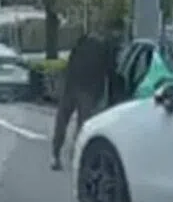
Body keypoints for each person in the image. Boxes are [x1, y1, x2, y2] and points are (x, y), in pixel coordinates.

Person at [50, 18, 123, 171]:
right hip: (89, 89)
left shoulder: (84, 40)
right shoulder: (109, 46)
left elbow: (71, 61)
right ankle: (75, 157)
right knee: (83, 125)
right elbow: (111, 72)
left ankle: (55, 156)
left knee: (62, 120)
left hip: (71, 85)